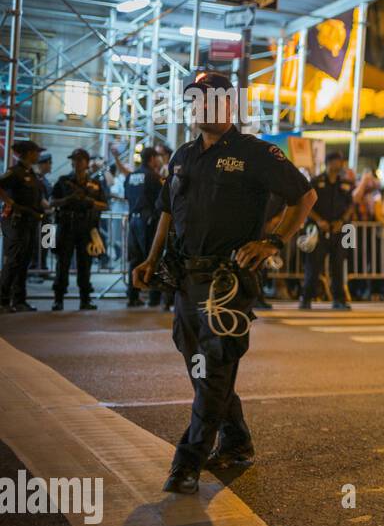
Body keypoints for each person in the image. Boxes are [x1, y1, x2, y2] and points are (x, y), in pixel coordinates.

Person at [132, 70, 315, 494]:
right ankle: (237, 441)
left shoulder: (256, 153)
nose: (202, 107)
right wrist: (151, 258)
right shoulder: (181, 156)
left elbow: (304, 196)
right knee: (198, 362)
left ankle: (188, 460)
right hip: (185, 278)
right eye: (194, 100)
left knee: (215, 365)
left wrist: (272, 241)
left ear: (229, 105)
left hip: (227, 281)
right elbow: (166, 210)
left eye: (211, 99)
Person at [50, 148, 109, 311]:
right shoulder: (63, 181)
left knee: (85, 265)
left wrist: (90, 202)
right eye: (75, 160)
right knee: (62, 264)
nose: (77, 163)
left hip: (86, 228)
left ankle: (85, 299)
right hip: (67, 226)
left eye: (80, 160)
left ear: (87, 163)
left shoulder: (95, 184)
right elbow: (51, 202)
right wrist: (67, 199)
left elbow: (105, 205)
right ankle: (58, 299)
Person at [300, 151, 354, 310]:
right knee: (313, 266)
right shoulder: (316, 181)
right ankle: (306, 298)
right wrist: (318, 220)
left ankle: (339, 300)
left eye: (341, 161)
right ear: (328, 163)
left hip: (339, 230)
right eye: (336, 161)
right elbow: (306, 204)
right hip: (317, 229)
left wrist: (342, 221)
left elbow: (350, 206)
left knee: (338, 265)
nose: (339, 164)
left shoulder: (345, 183)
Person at [0, 139, 48, 312]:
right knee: (13, 261)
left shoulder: (31, 174)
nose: (38, 155)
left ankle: (19, 300)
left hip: (30, 222)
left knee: (24, 261)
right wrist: (10, 202)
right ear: (28, 153)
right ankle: (3, 300)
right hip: (16, 221)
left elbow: (37, 196)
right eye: (36, 152)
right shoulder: (15, 172)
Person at [124, 148, 166, 308]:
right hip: (148, 222)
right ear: (152, 159)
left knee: (134, 260)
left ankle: (132, 296)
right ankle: (154, 298)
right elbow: (163, 201)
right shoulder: (153, 177)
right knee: (153, 258)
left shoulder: (131, 176)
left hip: (133, 220)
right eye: (157, 157)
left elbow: (127, 197)